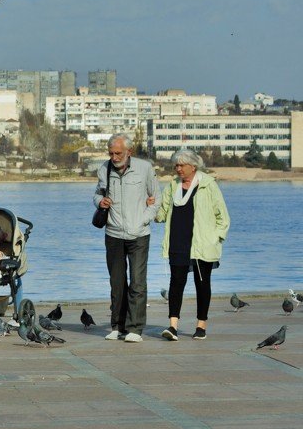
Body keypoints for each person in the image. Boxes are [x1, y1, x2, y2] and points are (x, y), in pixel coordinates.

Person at [155, 149, 230, 341]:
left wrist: (216, 238)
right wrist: (151, 207)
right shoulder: (173, 186)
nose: (178, 169)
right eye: (176, 165)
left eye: (181, 165)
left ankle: (201, 325)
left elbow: (223, 217)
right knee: (176, 283)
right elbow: (162, 213)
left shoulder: (208, 185)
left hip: (203, 243)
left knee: (202, 283)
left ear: (193, 166)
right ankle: (173, 326)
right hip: (178, 242)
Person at [95, 134, 160, 343]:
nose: (114, 157)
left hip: (139, 235)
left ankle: (135, 328)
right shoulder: (104, 168)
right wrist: (100, 202)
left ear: (129, 152)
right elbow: (96, 194)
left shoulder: (145, 168)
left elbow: (156, 198)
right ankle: (118, 326)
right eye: (111, 153)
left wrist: (144, 219)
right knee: (117, 283)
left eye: (118, 153)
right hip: (113, 234)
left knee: (137, 283)